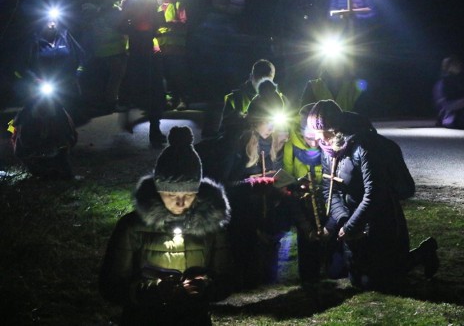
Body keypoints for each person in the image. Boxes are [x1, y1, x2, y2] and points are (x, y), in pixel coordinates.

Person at [99, 126, 233, 326]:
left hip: (192, 318)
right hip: (143, 318)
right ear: (158, 190)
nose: (180, 203)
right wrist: (150, 291)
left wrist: (205, 286)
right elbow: (111, 285)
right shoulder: (132, 227)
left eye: (188, 195)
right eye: (171, 195)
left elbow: (227, 278)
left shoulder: (212, 227)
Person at [306, 100, 439, 291]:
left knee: (379, 282)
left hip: (379, 217)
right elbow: (330, 189)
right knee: (354, 280)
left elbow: (375, 192)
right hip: (352, 217)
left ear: (335, 128)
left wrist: (352, 226)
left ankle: (424, 253)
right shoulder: (328, 150)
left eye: (322, 132)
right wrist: (344, 221)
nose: (318, 139)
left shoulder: (365, 146)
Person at [223, 80, 312, 289]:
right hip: (244, 208)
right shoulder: (239, 143)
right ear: (254, 120)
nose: (271, 126)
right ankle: (247, 272)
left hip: (270, 205)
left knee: (296, 204)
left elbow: (280, 173)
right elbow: (226, 184)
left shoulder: (275, 141)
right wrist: (250, 183)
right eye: (267, 120)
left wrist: (286, 183)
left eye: (275, 121)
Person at [282, 103, 331, 289]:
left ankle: (326, 268)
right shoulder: (291, 146)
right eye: (309, 138)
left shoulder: (324, 143)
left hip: (323, 198)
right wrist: (297, 185)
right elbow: (286, 175)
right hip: (301, 200)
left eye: (316, 138)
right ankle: (307, 275)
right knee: (306, 236)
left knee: (325, 236)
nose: (314, 143)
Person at [118, 0, 166, 147]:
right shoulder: (139, 1)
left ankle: (152, 128)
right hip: (141, 51)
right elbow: (121, 24)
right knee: (148, 89)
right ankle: (149, 128)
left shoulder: (146, 1)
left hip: (144, 51)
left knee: (150, 89)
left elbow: (159, 22)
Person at [17, 16, 86, 123]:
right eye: (48, 21)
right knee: (41, 117)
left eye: (55, 21)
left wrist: (77, 74)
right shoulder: (34, 40)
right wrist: (35, 80)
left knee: (70, 116)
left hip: (67, 84)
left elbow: (81, 56)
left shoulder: (65, 35)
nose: (52, 24)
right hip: (42, 86)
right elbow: (21, 66)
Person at [8, 84, 77, 180]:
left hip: (55, 145)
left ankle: (62, 171)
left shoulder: (59, 111)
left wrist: (65, 144)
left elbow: (68, 131)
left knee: (63, 166)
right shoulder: (26, 112)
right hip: (33, 147)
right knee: (31, 161)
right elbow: (14, 128)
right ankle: (40, 171)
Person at [77, 0, 128, 115]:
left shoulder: (100, 11)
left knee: (113, 75)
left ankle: (108, 101)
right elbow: (120, 26)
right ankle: (111, 102)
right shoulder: (113, 10)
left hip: (105, 48)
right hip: (112, 48)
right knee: (117, 75)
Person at [217, 59, 286, 137]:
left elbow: (283, 128)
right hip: (242, 143)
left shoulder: (279, 100)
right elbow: (224, 131)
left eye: (266, 80)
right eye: (259, 79)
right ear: (251, 77)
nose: (262, 84)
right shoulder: (235, 98)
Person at [153, 0, 190, 111]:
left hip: (176, 47)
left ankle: (183, 100)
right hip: (162, 48)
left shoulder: (177, 4)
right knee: (166, 75)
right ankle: (171, 100)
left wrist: (167, 23)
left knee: (178, 75)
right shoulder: (158, 9)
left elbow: (184, 23)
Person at [431, 55, 464, 130]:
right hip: (449, 110)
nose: (459, 65)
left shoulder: (460, 79)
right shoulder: (444, 81)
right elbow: (444, 103)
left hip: (458, 108)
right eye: (456, 64)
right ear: (449, 67)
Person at [300, 60, 366, 113]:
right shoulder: (313, 85)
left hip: (349, 129)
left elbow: (364, 113)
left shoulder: (356, 87)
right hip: (319, 129)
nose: (335, 65)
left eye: (338, 62)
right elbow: (304, 113)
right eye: (331, 62)